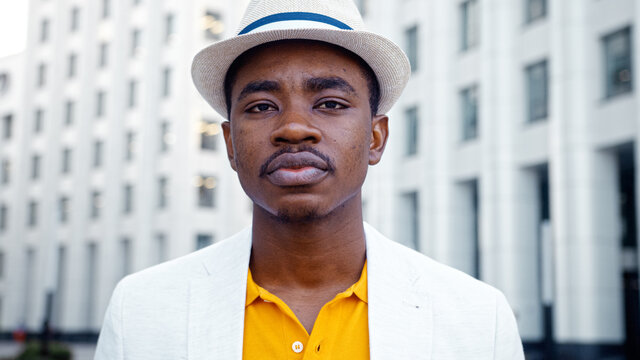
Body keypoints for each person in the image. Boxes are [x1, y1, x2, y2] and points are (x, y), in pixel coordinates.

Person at [94, 0, 525, 359]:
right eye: (262, 106)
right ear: (229, 144)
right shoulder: (141, 312)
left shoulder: (477, 321)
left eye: (331, 103)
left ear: (376, 138)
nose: (295, 127)